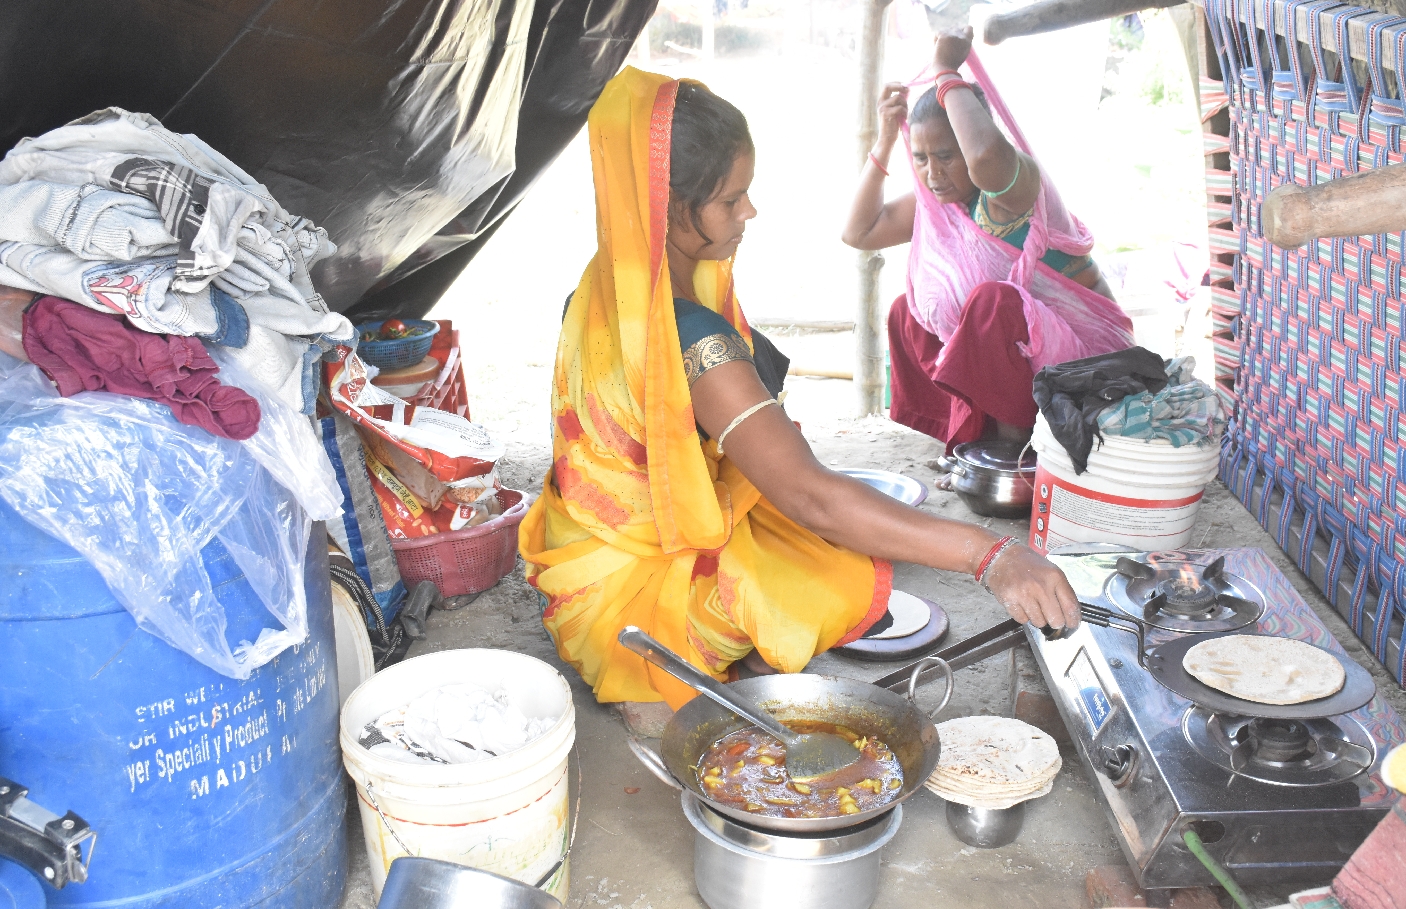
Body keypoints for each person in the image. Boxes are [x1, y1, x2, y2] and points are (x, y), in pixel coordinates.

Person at [519, 67, 1080, 712]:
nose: (749, 211)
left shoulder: (601, 289)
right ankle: (704, 647)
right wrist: (994, 556)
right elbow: (812, 497)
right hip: (629, 616)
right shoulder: (690, 336)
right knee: (829, 571)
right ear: (670, 210)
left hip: (584, 559)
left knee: (826, 514)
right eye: (731, 200)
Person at [842, 28, 1133, 469]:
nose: (932, 172)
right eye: (920, 159)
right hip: (1032, 366)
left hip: (1092, 366)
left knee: (993, 304)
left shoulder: (1016, 190)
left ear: (973, 138)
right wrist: (885, 139)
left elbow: (984, 161)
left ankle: (1011, 450)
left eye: (945, 155)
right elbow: (858, 232)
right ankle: (969, 441)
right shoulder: (942, 204)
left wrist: (944, 69)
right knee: (911, 311)